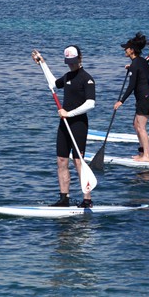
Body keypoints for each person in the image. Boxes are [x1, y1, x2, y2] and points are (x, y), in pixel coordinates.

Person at [32, 46, 96, 208]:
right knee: (61, 160)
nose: (71, 65)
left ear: (79, 59)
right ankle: (64, 198)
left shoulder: (86, 78)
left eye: (73, 62)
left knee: (78, 162)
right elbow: (53, 83)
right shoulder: (67, 76)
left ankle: (87, 200)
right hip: (64, 124)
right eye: (68, 62)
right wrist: (43, 64)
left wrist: (69, 114)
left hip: (78, 124)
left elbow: (90, 104)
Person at [114, 32, 149, 162]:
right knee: (136, 124)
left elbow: (131, 86)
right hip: (147, 97)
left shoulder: (136, 64)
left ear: (132, 50)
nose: (125, 50)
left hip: (145, 97)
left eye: (126, 48)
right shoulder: (140, 61)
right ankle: (142, 152)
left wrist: (121, 101)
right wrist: (133, 68)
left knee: (141, 127)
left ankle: (147, 156)